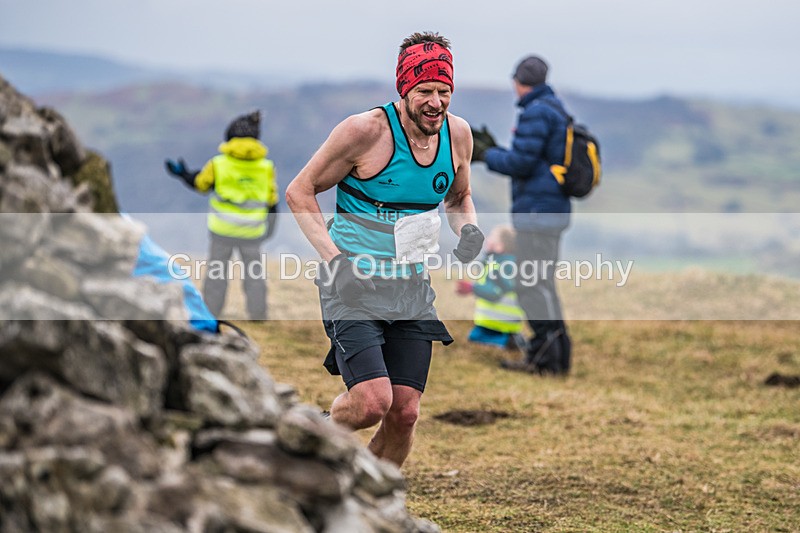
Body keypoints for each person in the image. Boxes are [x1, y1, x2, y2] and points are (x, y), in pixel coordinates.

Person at [286, 32, 483, 467]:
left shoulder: (458, 135)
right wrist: (334, 261)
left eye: (445, 91)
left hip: (411, 286)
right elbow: (300, 192)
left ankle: (372, 501)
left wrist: (468, 231)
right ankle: (305, 434)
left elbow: (458, 197)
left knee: (405, 412)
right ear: (404, 89)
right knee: (372, 403)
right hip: (353, 284)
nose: (436, 102)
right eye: (425, 91)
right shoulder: (365, 131)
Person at [471, 55, 573, 375]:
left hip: (537, 213)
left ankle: (545, 359)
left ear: (519, 82)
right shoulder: (554, 108)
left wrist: (487, 154)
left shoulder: (536, 112)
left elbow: (521, 163)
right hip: (551, 211)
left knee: (530, 284)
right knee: (541, 283)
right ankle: (555, 356)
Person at [165, 111, 278, 320]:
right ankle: (259, 315)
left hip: (222, 231)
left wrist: (183, 173)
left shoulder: (219, 164)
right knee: (254, 275)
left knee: (217, 274)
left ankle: (211, 312)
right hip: (252, 232)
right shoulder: (266, 167)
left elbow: (200, 183)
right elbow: (272, 202)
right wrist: (269, 230)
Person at [455, 225, 526, 351]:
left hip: (500, 324)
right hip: (493, 323)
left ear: (500, 246)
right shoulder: (499, 263)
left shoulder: (501, 266)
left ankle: (512, 340)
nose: (488, 239)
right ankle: (513, 339)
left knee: (484, 340)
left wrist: (472, 288)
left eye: (492, 237)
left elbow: (495, 293)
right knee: (474, 337)